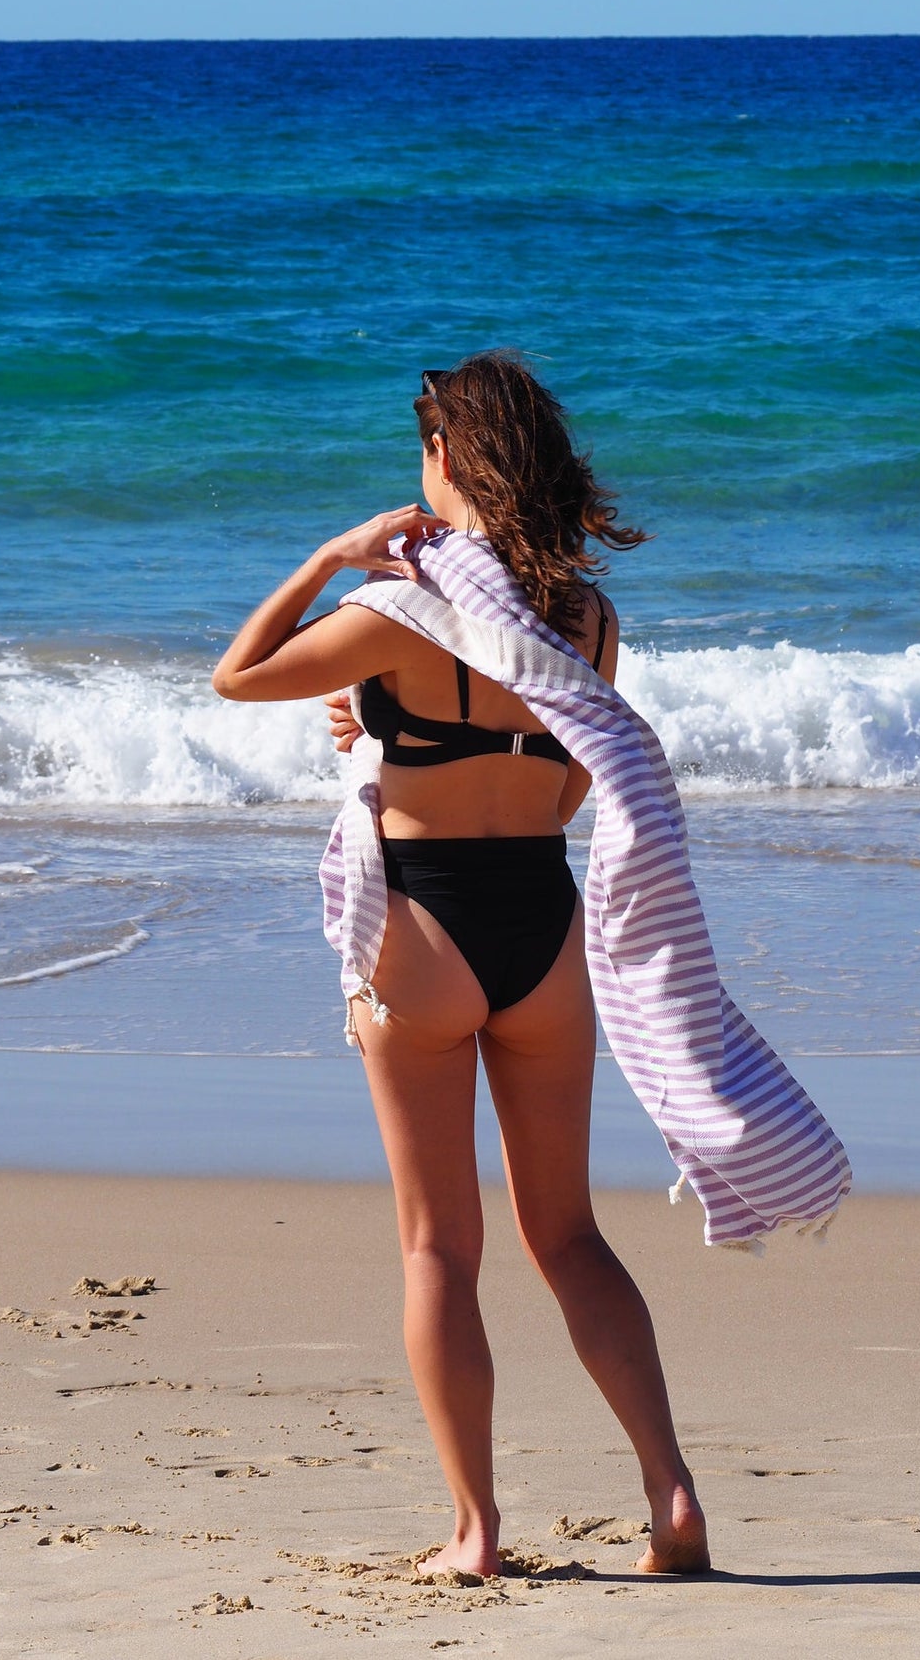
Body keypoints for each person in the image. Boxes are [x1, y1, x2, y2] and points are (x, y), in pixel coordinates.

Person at [212, 351, 709, 1578]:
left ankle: (475, 1531)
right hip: (541, 921)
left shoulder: (391, 612)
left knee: (440, 1244)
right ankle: (672, 1495)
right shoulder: (588, 616)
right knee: (568, 1234)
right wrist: (382, 722)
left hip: (422, 929)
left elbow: (237, 675)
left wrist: (334, 559)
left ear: (446, 459)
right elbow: (574, 770)